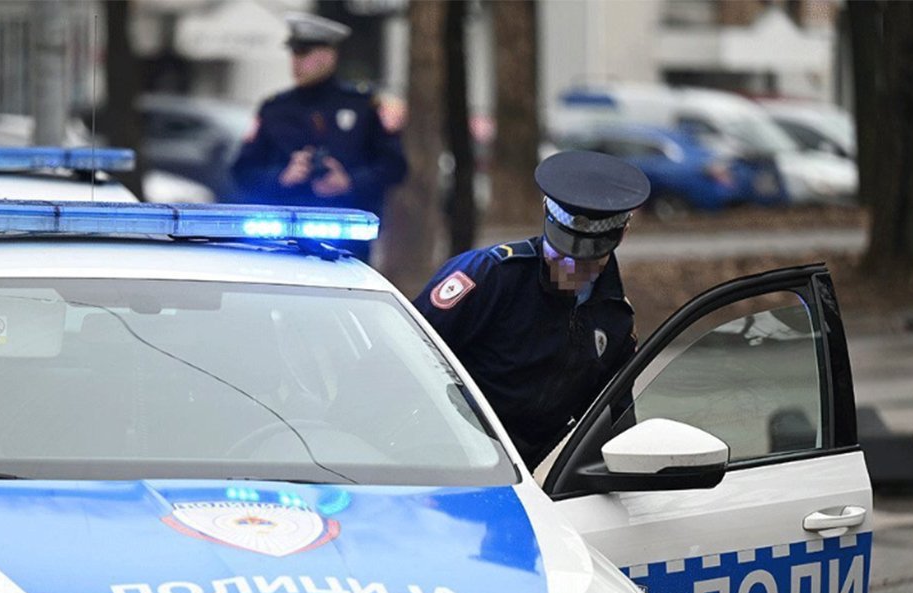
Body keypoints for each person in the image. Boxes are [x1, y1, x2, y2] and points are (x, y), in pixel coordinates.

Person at [413, 150, 651, 470]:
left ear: (622, 233)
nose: (570, 267)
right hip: (450, 455)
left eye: (586, 260)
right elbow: (406, 357)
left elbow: (610, 425)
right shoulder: (488, 276)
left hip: (534, 475)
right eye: (560, 253)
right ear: (546, 213)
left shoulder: (615, 319)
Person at [230, 11, 407, 259]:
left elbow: (395, 166)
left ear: (328, 55)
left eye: (304, 53)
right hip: (281, 237)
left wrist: (349, 182)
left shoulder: (362, 105)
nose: (296, 62)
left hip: (348, 237)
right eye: (294, 53)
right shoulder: (275, 108)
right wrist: (282, 177)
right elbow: (242, 170)